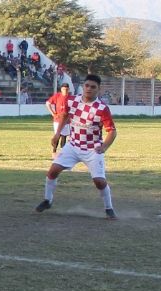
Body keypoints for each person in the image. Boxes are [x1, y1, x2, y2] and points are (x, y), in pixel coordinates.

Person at [35, 74, 118, 219]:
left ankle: (109, 208)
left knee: (99, 181)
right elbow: (65, 116)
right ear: (83, 86)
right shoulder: (72, 101)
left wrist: (104, 147)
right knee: (52, 171)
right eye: (87, 86)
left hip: (92, 149)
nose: (89, 89)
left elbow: (112, 131)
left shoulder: (102, 108)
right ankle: (47, 200)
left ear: (99, 89)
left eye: (93, 87)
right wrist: (57, 134)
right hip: (73, 145)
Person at [45, 82, 72, 157]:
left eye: (66, 89)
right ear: (61, 89)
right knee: (58, 135)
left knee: (64, 136)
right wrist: (53, 113)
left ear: (68, 89)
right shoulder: (57, 96)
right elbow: (48, 103)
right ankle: (54, 151)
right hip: (57, 120)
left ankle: (62, 152)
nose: (65, 91)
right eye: (64, 89)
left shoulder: (70, 98)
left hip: (66, 121)